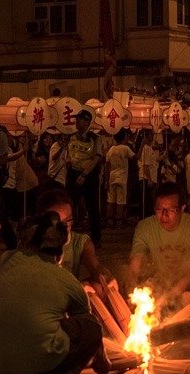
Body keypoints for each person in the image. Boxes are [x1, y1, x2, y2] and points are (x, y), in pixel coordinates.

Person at [0, 211, 109, 374]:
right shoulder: (67, 280)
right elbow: (88, 324)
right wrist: (102, 360)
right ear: (61, 249)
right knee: (91, 326)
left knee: (13, 318)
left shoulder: (6, 259)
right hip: (38, 367)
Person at [127, 182, 190, 312]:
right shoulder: (145, 227)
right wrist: (131, 293)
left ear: (182, 208)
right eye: (159, 210)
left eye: (171, 210)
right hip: (162, 278)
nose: (164, 216)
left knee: (186, 300)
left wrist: (168, 299)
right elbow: (135, 263)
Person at [36, 189, 116, 289]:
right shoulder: (33, 245)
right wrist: (77, 288)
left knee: (98, 287)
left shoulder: (79, 242)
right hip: (42, 296)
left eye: (68, 220)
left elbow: (94, 266)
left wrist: (107, 277)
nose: (64, 226)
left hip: (70, 297)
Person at [65, 109, 103, 247]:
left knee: (92, 207)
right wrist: (68, 161)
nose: (77, 122)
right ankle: (66, 235)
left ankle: (96, 238)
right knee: (69, 205)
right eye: (77, 119)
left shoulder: (95, 138)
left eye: (80, 120)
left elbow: (96, 158)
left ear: (87, 122)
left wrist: (84, 174)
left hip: (89, 176)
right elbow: (69, 152)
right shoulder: (72, 137)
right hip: (73, 174)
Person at [105, 129, 134, 228]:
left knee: (111, 200)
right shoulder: (125, 148)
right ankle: (119, 222)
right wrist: (142, 145)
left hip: (111, 177)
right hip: (122, 177)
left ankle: (109, 222)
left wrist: (106, 180)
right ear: (124, 137)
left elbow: (107, 165)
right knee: (121, 201)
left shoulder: (111, 149)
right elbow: (135, 157)